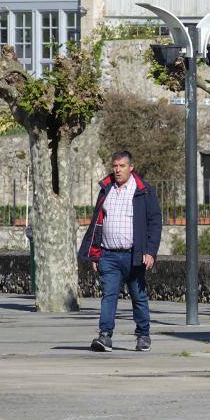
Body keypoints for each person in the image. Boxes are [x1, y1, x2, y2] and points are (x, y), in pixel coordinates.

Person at [78, 150, 162, 352]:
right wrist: (96, 253)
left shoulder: (144, 191)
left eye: (122, 166)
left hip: (134, 254)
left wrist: (150, 251)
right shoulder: (106, 189)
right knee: (109, 295)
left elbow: (155, 222)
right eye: (115, 166)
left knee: (138, 297)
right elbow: (97, 222)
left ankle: (143, 335)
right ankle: (104, 336)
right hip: (108, 254)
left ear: (130, 168)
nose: (117, 170)